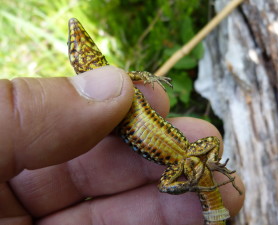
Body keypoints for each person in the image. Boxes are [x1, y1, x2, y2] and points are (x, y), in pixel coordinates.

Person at [0, 66, 244, 225]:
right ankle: (201, 187)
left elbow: (133, 76)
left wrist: (146, 76)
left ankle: (209, 170)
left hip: (187, 153)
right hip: (177, 159)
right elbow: (165, 185)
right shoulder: (115, 92)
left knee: (209, 140)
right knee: (168, 182)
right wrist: (189, 184)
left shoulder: (120, 83)